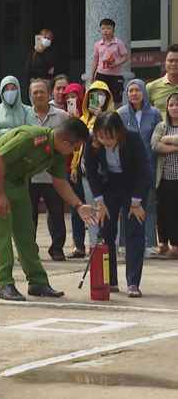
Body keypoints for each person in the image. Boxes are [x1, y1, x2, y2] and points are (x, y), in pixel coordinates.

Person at [0, 118, 96, 301]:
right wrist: (0, 195)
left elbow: (60, 181)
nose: (73, 152)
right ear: (65, 141)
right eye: (74, 148)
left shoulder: (56, 152)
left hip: (18, 183)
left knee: (26, 233)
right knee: (1, 236)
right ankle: (5, 284)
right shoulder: (31, 138)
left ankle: (37, 282)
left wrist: (78, 205)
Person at [85, 112, 151, 298]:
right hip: (109, 186)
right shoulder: (92, 142)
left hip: (133, 186)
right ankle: (110, 280)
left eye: (110, 137)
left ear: (119, 132)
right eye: (101, 136)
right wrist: (99, 201)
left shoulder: (132, 138)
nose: (106, 141)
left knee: (134, 232)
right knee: (106, 231)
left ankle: (132, 283)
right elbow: (91, 172)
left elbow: (143, 172)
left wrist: (136, 203)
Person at [67, 80, 115, 258]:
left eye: (101, 95)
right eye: (93, 95)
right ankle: (95, 246)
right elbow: (77, 147)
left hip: (109, 173)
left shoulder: (113, 117)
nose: (97, 99)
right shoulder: (82, 119)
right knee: (92, 210)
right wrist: (74, 166)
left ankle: (110, 246)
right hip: (87, 172)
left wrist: (101, 117)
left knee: (109, 210)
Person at [117, 79, 162, 255]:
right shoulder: (120, 114)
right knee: (126, 206)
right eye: (130, 90)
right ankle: (125, 244)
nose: (134, 93)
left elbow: (157, 138)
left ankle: (149, 244)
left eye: (137, 90)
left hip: (148, 166)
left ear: (144, 92)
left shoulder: (155, 114)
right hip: (127, 168)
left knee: (148, 206)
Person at [29, 79, 70, 261]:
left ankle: (57, 248)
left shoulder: (62, 116)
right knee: (29, 216)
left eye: (42, 92)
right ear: (30, 95)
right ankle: (30, 248)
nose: (38, 95)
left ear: (49, 94)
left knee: (56, 213)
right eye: (35, 92)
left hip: (53, 174)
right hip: (30, 174)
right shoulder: (25, 115)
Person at [62, 82, 88, 257]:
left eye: (75, 97)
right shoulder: (64, 118)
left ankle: (97, 243)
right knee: (76, 206)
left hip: (85, 167)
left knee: (91, 204)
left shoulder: (88, 116)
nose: (72, 100)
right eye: (68, 98)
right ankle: (78, 245)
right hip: (68, 167)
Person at [151, 93, 178, 257]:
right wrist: (175, 147)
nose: (175, 108)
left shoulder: (165, 132)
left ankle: (176, 244)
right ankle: (163, 243)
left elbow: (162, 142)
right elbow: (155, 145)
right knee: (163, 211)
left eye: (177, 104)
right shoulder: (161, 126)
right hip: (165, 177)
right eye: (172, 105)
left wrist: (168, 140)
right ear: (167, 108)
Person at [91, 18, 129, 108]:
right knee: (95, 99)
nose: (105, 31)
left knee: (117, 100)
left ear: (113, 30)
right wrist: (92, 75)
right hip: (101, 74)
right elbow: (95, 60)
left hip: (116, 76)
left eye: (108, 28)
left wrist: (117, 63)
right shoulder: (97, 44)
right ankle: (94, 118)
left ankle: (116, 119)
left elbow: (126, 56)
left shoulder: (119, 43)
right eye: (103, 28)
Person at [0, 75, 35, 142]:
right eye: (6, 89)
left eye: (13, 89)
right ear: (1, 92)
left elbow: (31, 133)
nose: (10, 92)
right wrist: (16, 131)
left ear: (18, 91)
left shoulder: (28, 110)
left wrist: (1, 132)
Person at [147, 44, 178, 125]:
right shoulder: (151, 87)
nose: (174, 64)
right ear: (165, 62)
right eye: (170, 61)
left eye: (177, 61)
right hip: (160, 134)